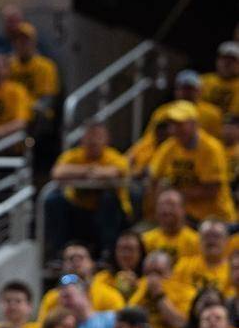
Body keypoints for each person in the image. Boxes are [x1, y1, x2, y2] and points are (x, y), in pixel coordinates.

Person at [47, 122, 129, 256]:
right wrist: (89, 170)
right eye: (90, 136)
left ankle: (108, 254)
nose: (93, 141)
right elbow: (57, 172)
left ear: (107, 140)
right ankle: (59, 253)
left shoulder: (115, 157)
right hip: (79, 211)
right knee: (53, 200)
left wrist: (78, 173)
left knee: (108, 200)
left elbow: (115, 172)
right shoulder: (73, 155)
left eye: (98, 137)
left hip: (110, 215)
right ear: (82, 139)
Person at [148, 101, 235, 224]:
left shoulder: (211, 148)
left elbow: (211, 190)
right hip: (183, 217)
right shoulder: (169, 147)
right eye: (173, 124)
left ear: (194, 124)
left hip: (214, 219)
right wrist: (160, 207)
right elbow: (154, 178)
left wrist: (176, 196)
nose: (175, 129)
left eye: (180, 124)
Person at [141, 189, 200, 264]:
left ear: (183, 209)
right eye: (161, 205)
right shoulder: (145, 240)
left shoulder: (196, 241)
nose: (166, 210)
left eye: (171, 205)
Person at [173, 216, 230, 293]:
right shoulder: (184, 265)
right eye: (207, 236)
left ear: (226, 240)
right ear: (198, 240)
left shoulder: (233, 270)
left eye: (216, 236)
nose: (211, 241)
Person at [200, 41, 239, 118]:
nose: (227, 64)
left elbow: (234, 115)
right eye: (224, 59)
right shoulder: (203, 80)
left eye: (232, 61)